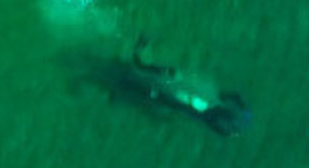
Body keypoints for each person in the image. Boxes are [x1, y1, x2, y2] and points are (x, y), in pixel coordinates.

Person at [107, 35, 251, 136]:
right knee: (148, 82)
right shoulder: (210, 112)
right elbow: (219, 117)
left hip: (177, 86)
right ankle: (127, 81)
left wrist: (241, 107)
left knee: (147, 78)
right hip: (176, 90)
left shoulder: (213, 107)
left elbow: (232, 98)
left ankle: (128, 79)